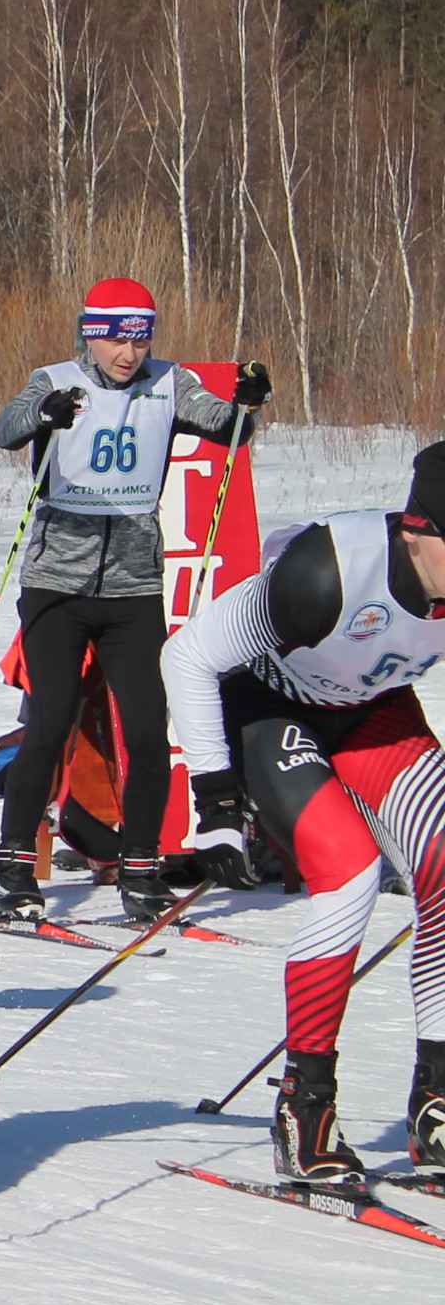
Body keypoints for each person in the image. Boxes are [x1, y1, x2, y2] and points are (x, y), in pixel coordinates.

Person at [161, 442, 445, 1188]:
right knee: (350, 875)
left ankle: (437, 1106)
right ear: (417, 531)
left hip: (374, 711)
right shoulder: (326, 575)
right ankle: (304, 1110)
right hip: (272, 710)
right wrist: (217, 799)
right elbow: (188, 657)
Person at [0, 277, 268, 924]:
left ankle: (141, 867)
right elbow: (7, 428)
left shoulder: (169, 383)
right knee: (51, 719)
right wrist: (45, 415)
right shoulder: (56, 377)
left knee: (146, 728)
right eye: (117, 337)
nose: (129, 351)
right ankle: (12, 866)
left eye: (141, 337)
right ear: (92, 333)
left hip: (134, 588)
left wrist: (247, 404)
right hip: (57, 584)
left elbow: (228, 430)